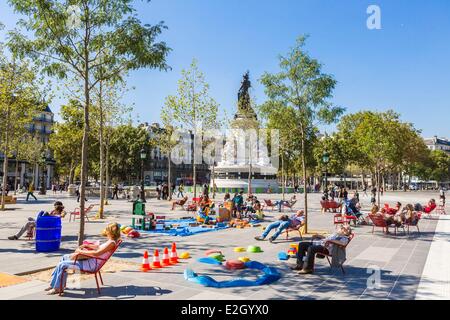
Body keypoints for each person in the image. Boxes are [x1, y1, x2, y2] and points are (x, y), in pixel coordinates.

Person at [45, 222, 121, 295]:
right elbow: (98, 248)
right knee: (64, 257)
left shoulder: (111, 243)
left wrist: (81, 252)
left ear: (110, 232)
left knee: (62, 265)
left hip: (91, 265)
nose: (106, 231)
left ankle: (58, 288)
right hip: (91, 260)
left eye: (107, 230)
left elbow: (96, 253)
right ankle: (56, 285)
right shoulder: (111, 241)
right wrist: (86, 246)